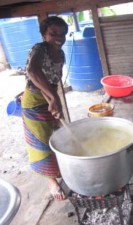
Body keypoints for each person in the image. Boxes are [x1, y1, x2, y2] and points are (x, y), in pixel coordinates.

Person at [21, 16, 68, 200]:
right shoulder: (39, 49)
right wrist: (54, 97)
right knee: (42, 142)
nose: (59, 37)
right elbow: (33, 72)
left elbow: (52, 79)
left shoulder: (61, 54)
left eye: (63, 34)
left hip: (49, 97)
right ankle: (52, 182)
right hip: (34, 102)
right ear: (43, 35)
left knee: (57, 137)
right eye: (53, 33)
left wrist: (54, 99)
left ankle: (63, 169)